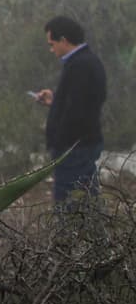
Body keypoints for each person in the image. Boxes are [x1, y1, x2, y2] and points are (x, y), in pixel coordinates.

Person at [33, 15, 107, 205]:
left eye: (52, 44)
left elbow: (78, 111)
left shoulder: (80, 65)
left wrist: (60, 142)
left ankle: (72, 235)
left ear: (64, 40)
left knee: (69, 202)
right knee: (86, 199)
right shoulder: (86, 61)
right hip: (82, 144)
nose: (52, 49)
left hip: (75, 148)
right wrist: (56, 101)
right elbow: (80, 101)